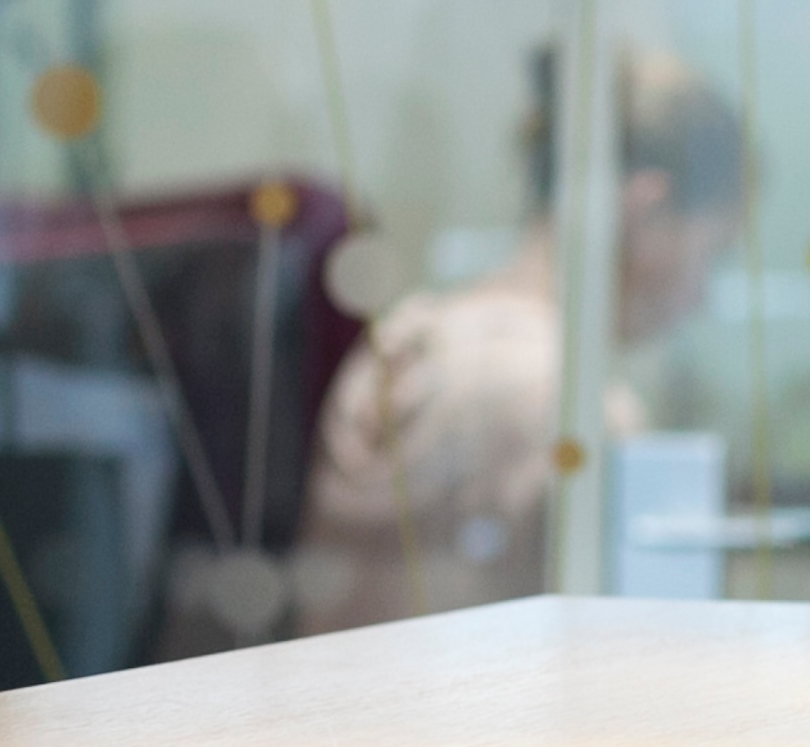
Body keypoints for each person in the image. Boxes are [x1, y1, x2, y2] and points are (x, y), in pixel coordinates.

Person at [291, 48, 748, 631]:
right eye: (713, 254)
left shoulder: (405, 340)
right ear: (646, 210)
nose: (703, 294)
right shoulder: (573, 408)